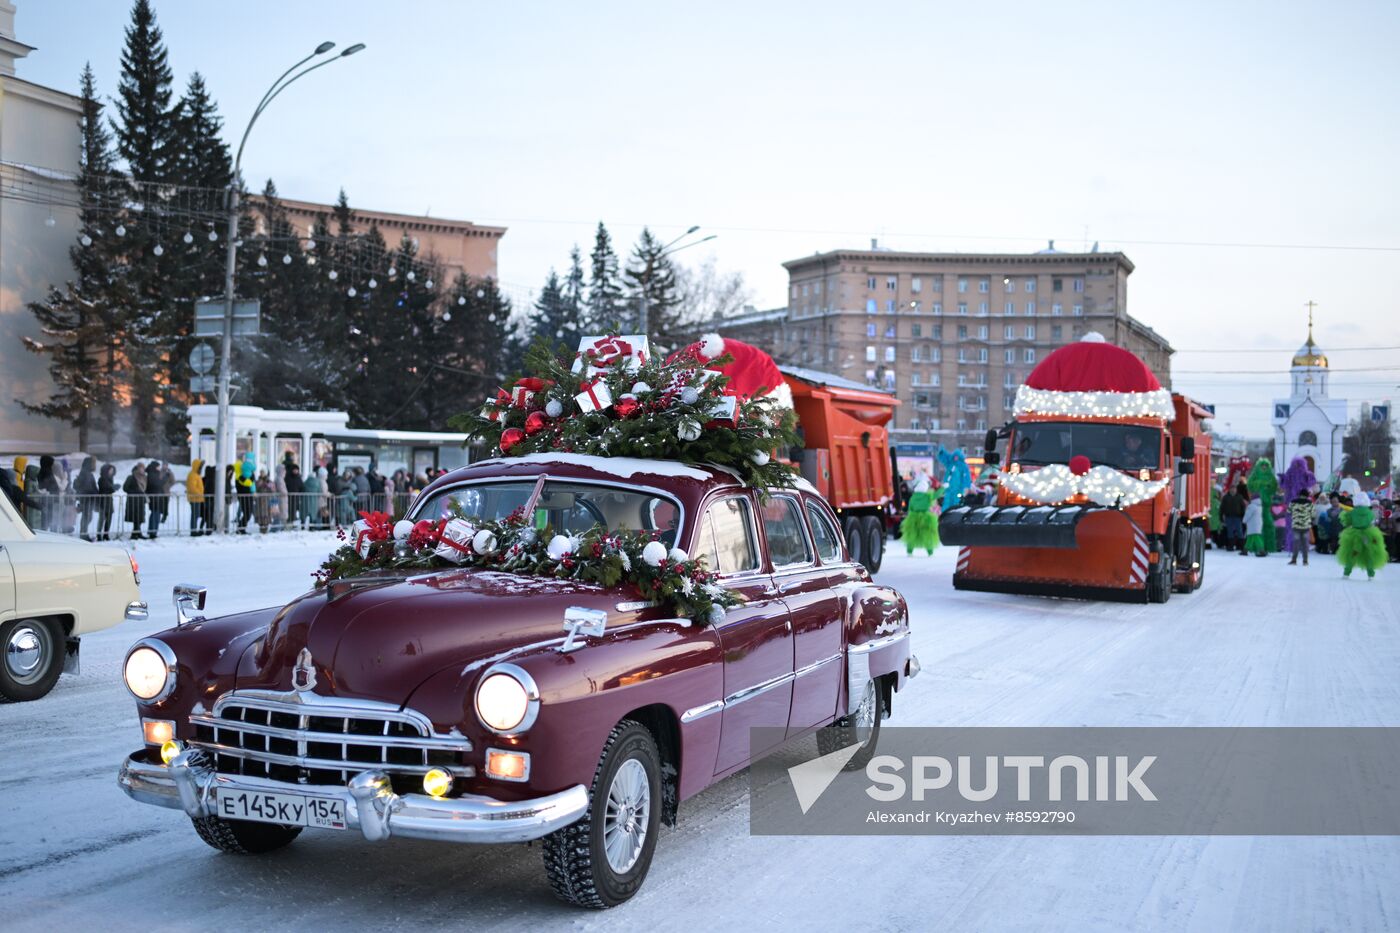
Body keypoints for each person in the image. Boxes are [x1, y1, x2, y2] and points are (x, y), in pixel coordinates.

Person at [1338, 492, 1387, 579]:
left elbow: (1347, 522)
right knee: (1369, 554)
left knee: (1352, 553)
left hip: (1354, 535)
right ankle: (1371, 574)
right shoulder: (1370, 512)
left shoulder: (1352, 512)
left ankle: (1346, 573)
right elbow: (1373, 522)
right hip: (1368, 535)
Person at [1288, 487, 1314, 566]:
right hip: (1306, 526)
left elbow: (1288, 511)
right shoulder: (1310, 503)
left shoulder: (1293, 502)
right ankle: (1305, 561)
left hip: (1296, 525)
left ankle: (1294, 560)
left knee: (1296, 543)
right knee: (1305, 544)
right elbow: (1313, 514)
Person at [74, 456, 98, 540]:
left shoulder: (86, 473)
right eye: (93, 463)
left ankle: (84, 533)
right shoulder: (86, 473)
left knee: (88, 516)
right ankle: (83, 534)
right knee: (86, 517)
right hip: (86, 498)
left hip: (87, 498)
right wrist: (95, 492)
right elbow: (88, 487)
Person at [1219, 482, 1247, 552]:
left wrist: (1243, 516)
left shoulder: (1239, 497)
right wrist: (1221, 516)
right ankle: (1230, 546)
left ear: (1236, 490)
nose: (1233, 490)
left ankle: (1241, 546)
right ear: (1229, 490)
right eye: (1231, 489)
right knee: (1230, 532)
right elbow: (1222, 508)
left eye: (1234, 489)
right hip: (1229, 517)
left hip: (1238, 517)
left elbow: (1243, 507)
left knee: (1239, 531)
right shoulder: (1226, 497)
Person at [123, 463, 148, 539]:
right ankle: (135, 534)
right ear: (137, 468)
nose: (142, 470)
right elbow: (125, 488)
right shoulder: (131, 477)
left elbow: (144, 489)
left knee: (140, 518)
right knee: (135, 518)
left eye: (143, 468)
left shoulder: (144, 477)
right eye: (140, 468)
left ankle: (137, 533)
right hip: (133, 501)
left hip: (141, 500)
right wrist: (135, 492)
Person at [145, 460, 165, 539]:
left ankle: (154, 531)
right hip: (154, 497)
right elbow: (156, 484)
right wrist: (164, 478)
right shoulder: (151, 474)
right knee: (154, 514)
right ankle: (152, 531)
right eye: (158, 466)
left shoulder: (155, 474)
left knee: (157, 514)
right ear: (155, 467)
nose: (159, 468)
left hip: (157, 497)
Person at [96, 463, 117, 540]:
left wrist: (113, 488)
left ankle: (106, 534)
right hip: (103, 501)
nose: (111, 472)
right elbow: (105, 488)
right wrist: (113, 488)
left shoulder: (110, 479)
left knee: (109, 518)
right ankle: (98, 535)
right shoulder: (102, 479)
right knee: (101, 519)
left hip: (109, 500)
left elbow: (110, 488)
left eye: (112, 470)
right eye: (110, 470)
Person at [1242, 491, 1266, 557]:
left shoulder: (1252, 506)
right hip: (1257, 525)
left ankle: (1261, 550)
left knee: (1256, 538)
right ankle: (1245, 550)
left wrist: (1244, 520)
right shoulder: (1259, 506)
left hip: (1253, 525)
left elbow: (1248, 514)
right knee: (1250, 538)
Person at [186, 458, 206, 536]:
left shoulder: (196, 475)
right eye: (200, 466)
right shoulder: (192, 475)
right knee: (194, 515)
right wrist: (200, 494)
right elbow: (192, 488)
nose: (201, 468)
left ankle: (194, 529)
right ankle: (193, 530)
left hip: (197, 498)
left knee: (196, 514)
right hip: (194, 498)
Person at [303, 465, 324, 530]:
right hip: (315, 500)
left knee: (306, 512)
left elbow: (303, 489)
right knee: (314, 513)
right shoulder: (317, 482)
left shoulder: (306, 482)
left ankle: (304, 525)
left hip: (306, 499)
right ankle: (313, 526)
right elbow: (320, 491)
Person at [285, 462, 305, 529]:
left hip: (296, 497)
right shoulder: (288, 477)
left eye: (297, 470)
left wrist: (301, 492)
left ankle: (292, 523)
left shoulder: (299, 477)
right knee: (289, 510)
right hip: (289, 497)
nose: (296, 471)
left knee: (294, 511)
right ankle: (289, 523)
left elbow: (301, 486)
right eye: (294, 470)